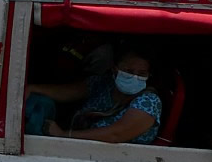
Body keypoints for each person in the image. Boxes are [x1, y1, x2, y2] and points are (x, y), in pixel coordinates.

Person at [26, 48, 162, 143]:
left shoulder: (149, 101)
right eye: (128, 71)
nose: (134, 77)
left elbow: (116, 135)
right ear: (115, 69)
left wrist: (64, 135)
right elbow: (69, 92)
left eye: (141, 73)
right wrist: (34, 88)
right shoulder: (105, 83)